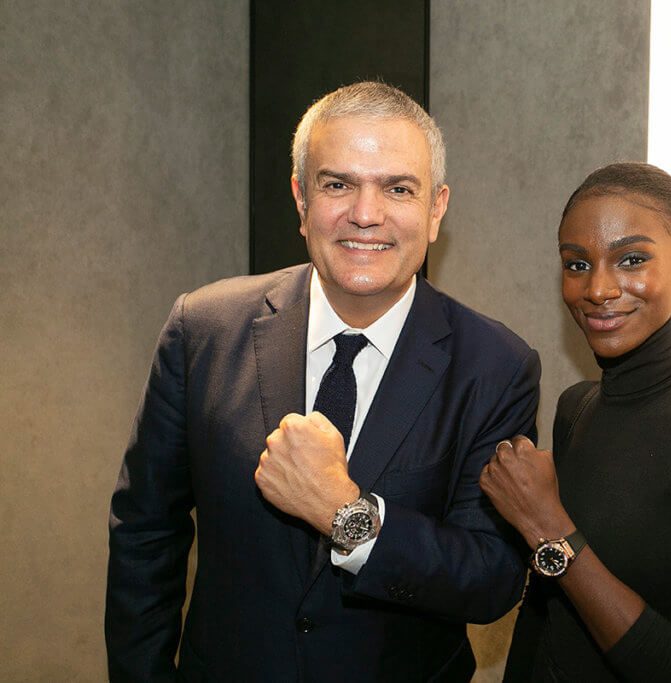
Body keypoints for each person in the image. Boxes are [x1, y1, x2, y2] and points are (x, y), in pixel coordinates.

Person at [105, 81, 541, 682]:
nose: (365, 213)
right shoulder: (202, 328)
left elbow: (491, 577)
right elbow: (145, 535)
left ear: (436, 209)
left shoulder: (495, 365)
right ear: (301, 198)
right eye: (337, 184)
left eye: (398, 188)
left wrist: (347, 515)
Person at [481, 162, 671, 682]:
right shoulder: (577, 408)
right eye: (577, 264)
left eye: (632, 259)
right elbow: (546, 617)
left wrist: (547, 526)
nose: (598, 288)